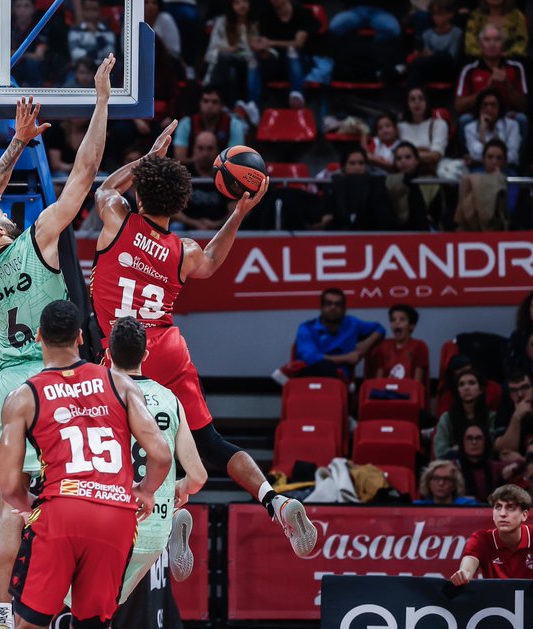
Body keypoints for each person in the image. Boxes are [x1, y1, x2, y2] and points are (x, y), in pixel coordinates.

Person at [0, 64, 118, 627]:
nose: (1, 205)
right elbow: (84, 172)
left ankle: (3, 611)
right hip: (64, 376)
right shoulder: (38, 240)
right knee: (89, 485)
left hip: (13, 385)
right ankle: (82, 593)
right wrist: (101, 101)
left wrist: (15, 143)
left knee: (12, 504)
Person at [90, 124, 316, 558]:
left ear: (140, 193)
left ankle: (167, 512)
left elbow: (103, 188)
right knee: (209, 441)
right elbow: (211, 263)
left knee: (118, 440)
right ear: (180, 203)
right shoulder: (186, 250)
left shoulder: (116, 217)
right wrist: (239, 212)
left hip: (123, 350)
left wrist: (146, 160)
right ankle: (276, 501)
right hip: (168, 346)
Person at [0, 300, 172, 629]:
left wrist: (32, 505)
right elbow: (161, 454)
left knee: (30, 623)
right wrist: (146, 491)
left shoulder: (22, 398)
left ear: (38, 337)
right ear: (80, 337)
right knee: (93, 623)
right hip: (114, 513)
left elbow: (8, 486)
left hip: (62, 509)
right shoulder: (120, 384)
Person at [100, 316, 205, 600]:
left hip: (104, 525)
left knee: (61, 596)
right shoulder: (170, 399)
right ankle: (171, 521)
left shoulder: (96, 397)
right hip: (153, 529)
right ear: (145, 354)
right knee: (106, 604)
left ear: (108, 354)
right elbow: (198, 477)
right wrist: (179, 490)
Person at [450, 484, 533, 585]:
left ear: (524, 515)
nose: (502, 514)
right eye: (498, 507)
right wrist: (464, 574)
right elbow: (467, 568)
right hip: (496, 605)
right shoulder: (481, 538)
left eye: (510, 507)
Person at [295, 289, 385, 380]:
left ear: (344, 309)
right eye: (328, 303)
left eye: (338, 304)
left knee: (330, 369)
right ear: (321, 307)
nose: (333, 307)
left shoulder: (352, 324)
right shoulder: (307, 328)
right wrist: (346, 358)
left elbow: (380, 329)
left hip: (340, 376)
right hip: (310, 374)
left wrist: (365, 346)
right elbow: (310, 358)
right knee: (322, 366)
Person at [253, 0, 317, 109]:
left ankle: (296, 94)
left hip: (301, 62)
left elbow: (299, 43)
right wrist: (260, 48)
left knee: (292, 51)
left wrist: (271, 43)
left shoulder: (302, 13)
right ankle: (253, 104)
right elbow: (262, 42)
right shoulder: (266, 16)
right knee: (253, 58)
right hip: (276, 63)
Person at [455, 23, 527, 118]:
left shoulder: (516, 67)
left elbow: (524, 105)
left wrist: (508, 85)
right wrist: (486, 89)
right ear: (480, 44)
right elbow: (458, 106)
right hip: (478, 117)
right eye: (487, 40)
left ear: (503, 45)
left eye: (497, 40)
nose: (492, 44)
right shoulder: (469, 69)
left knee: (522, 118)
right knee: (465, 119)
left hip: (507, 116)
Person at [203, 0, 258, 107]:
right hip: (228, 64)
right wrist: (229, 50)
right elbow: (210, 53)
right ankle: (230, 106)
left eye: (244, 1)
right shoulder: (222, 22)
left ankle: (252, 105)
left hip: (250, 64)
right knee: (228, 66)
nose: (242, 5)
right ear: (231, 6)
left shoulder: (255, 24)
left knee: (252, 64)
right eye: (237, 2)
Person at [172, 87, 246, 162]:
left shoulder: (234, 124)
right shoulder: (186, 123)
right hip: (192, 170)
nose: (209, 105)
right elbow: (179, 159)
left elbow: (236, 159)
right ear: (199, 103)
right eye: (205, 101)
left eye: (215, 102)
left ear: (222, 105)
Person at [434, 368, 496, 460]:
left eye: (471, 383)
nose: (466, 388)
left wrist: (458, 449)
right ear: (458, 391)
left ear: (481, 389)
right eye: (461, 384)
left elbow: (493, 450)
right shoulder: (447, 418)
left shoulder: (491, 417)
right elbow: (440, 452)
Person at [407, 0, 462, 89]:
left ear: (450, 14)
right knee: (417, 62)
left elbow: (452, 56)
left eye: (440, 14)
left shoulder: (457, 33)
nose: (436, 18)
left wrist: (434, 54)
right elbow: (426, 54)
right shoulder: (427, 34)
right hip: (431, 68)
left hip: (449, 69)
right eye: (434, 14)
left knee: (419, 63)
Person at [368, 304, 429, 385]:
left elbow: (417, 384)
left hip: (409, 394)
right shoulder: (383, 346)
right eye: (393, 320)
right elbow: (379, 381)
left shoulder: (419, 346)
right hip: (386, 394)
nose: (397, 322)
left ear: (411, 326)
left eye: (402, 319)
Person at [462, 0, 527, 60]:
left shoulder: (517, 16)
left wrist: (505, 55)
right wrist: (489, 56)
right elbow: (470, 45)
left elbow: (521, 43)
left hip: (511, 60)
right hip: (481, 60)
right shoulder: (475, 16)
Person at [463, 88, 521, 170]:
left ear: (499, 107)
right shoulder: (470, 128)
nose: (489, 109)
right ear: (480, 108)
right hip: (481, 168)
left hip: (506, 168)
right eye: (485, 105)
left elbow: (513, 157)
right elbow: (475, 155)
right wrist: (482, 132)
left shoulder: (512, 125)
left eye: (493, 105)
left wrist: (484, 156)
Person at [398, 87, 448, 173]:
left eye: (421, 98)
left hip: (431, 172)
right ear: (407, 104)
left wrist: (408, 157)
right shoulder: (399, 127)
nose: (417, 102)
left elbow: (436, 155)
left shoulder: (439, 124)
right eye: (412, 99)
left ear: (427, 102)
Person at [452, 424, 505, 502]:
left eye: (479, 438)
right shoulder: (453, 467)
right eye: (469, 438)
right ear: (462, 442)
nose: (474, 442)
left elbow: (520, 463)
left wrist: (512, 468)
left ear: (485, 442)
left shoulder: (495, 467)